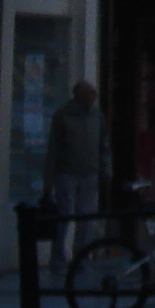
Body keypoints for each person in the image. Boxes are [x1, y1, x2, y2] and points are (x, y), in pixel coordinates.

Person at [43, 79, 109, 271]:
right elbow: (53, 149)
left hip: (90, 173)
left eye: (94, 93)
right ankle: (58, 257)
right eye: (90, 93)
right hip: (67, 173)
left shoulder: (97, 116)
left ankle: (81, 256)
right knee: (64, 216)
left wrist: (106, 168)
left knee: (86, 219)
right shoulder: (63, 115)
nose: (93, 96)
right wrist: (49, 179)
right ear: (78, 95)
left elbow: (104, 144)